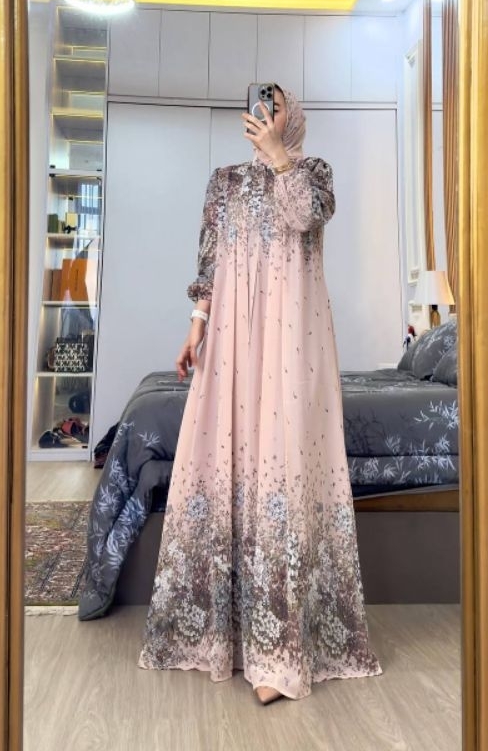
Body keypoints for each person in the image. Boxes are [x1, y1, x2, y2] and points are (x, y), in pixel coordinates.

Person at [137, 85, 383, 704]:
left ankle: (279, 653)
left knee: (282, 461)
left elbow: (305, 216)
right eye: (260, 106)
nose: (267, 115)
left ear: (292, 117)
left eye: (277, 107)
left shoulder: (314, 174)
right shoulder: (223, 182)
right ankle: (218, 631)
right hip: (232, 336)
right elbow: (209, 263)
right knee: (222, 457)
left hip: (292, 337)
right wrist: (195, 327)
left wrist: (279, 157)